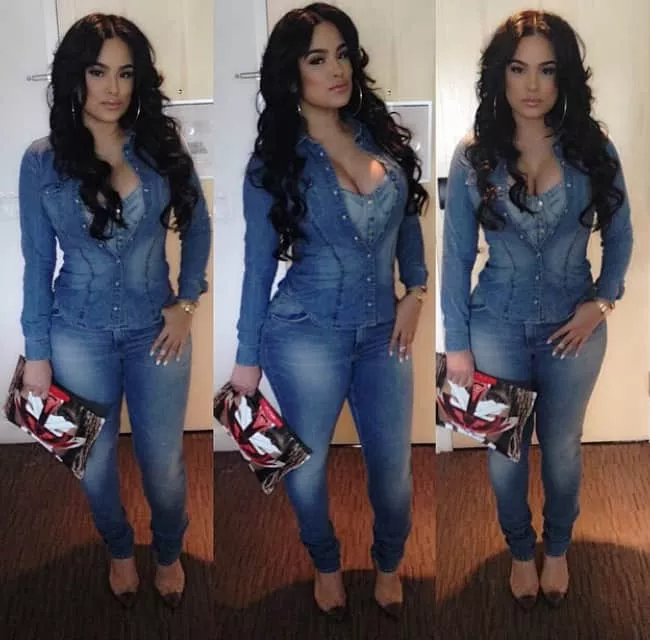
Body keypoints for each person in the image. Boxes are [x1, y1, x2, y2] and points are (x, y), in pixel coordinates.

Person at [229, 2, 428, 621]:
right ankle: (325, 564)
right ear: (292, 74)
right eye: (318, 59)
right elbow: (258, 268)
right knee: (308, 470)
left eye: (342, 54)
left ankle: (389, 564)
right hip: (303, 335)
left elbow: (408, 225)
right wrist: (245, 360)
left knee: (393, 472)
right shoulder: (273, 165)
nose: (337, 69)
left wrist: (416, 292)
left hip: (384, 337)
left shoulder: (382, 138)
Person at [18, 13, 211, 608]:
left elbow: (198, 226)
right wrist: (37, 354)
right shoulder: (42, 161)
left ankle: (169, 552)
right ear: (75, 77)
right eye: (99, 71)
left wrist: (186, 301)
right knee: (94, 464)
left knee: (164, 463)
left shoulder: (160, 148)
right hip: (77, 335)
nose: (113, 88)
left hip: (158, 333)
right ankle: (120, 550)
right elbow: (36, 263)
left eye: (126, 73)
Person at [441, 10, 633, 610]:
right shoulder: (474, 156)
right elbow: (454, 257)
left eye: (547, 70)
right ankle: (520, 550)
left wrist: (601, 302)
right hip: (494, 326)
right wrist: (456, 344)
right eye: (518, 69)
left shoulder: (593, 149)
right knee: (506, 453)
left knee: (563, 447)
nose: (531, 85)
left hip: (574, 329)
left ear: (564, 77)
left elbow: (621, 234)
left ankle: (558, 548)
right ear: (499, 75)